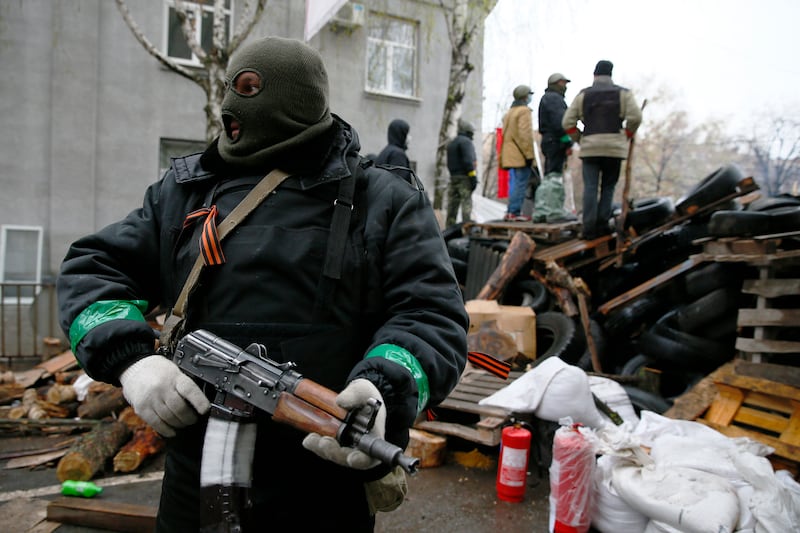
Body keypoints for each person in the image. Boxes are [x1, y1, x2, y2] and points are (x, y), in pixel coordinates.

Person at [56, 37, 468, 532]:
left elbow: (430, 313)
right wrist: (135, 362)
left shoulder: (382, 198)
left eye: (250, 87)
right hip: (195, 479)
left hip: (325, 480)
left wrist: (384, 388)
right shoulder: (184, 191)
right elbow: (92, 269)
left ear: (297, 100)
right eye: (231, 86)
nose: (232, 104)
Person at [562, 60, 642, 240]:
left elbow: (567, 122)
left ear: (595, 75)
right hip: (614, 148)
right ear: (611, 75)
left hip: (590, 147)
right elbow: (635, 117)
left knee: (590, 187)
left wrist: (579, 138)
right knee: (608, 187)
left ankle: (588, 228)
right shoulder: (623, 94)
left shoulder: (584, 95)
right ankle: (603, 226)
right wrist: (626, 134)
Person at [499, 84, 536, 222]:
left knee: (514, 183)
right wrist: (529, 155)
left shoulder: (509, 113)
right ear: (525, 96)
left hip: (509, 155)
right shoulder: (524, 111)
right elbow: (525, 135)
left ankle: (510, 211)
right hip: (520, 154)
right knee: (520, 184)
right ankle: (514, 211)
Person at [445, 118, 478, 227]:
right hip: (464, 178)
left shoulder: (452, 143)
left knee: (452, 206)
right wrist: (473, 177)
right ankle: (466, 228)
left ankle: (448, 230)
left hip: (453, 178)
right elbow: (468, 161)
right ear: (469, 131)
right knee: (466, 204)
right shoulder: (466, 142)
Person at [538, 72, 573, 176]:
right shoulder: (554, 99)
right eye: (563, 83)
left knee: (550, 173)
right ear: (555, 84)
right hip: (555, 142)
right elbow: (560, 124)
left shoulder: (548, 98)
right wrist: (567, 143)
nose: (565, 86)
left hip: (550, 141)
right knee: (553, 176)